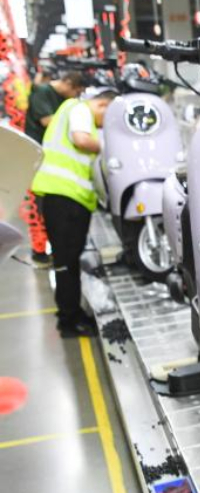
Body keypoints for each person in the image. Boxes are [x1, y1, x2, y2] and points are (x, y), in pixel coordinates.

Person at [30, 86, 117, 338]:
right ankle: (69, 321)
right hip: (65, 197)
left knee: (67, 259)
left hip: (65, 197)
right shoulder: (79, 109)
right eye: (107, 116)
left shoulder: (71, 109)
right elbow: (81, 139)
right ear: (101, 104)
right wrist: (109, 147)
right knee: (66, 262)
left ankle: (70, 312)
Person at [23, 71, 85, 266]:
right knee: (39, 206)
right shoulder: (42, 92)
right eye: (75, 91)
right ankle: (39, 252)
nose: (74, 96)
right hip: (36, 157)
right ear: (68, 83)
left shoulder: (58, 97)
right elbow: (46, 121)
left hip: (48, 158)